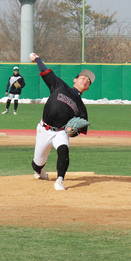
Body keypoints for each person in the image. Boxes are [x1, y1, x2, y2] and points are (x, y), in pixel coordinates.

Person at [29, 52, 93, 191]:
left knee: (64, 150)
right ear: (75, 80)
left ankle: (59, 181)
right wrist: (37, 59)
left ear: (87, 87)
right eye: (83, 77)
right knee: (36, 166)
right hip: (43, 129)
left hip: (60, 132)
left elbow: (78, 130)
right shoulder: (60, 85)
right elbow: (45, 71)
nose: (86, 80)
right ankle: (41, 168)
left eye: (88, 81)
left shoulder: (82, 108)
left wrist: (71, 133)